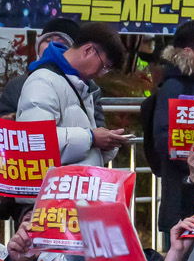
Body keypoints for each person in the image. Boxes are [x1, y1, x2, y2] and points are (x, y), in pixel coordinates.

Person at [140, 20, 194, 238]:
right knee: (178, 260)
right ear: (188, 51)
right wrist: (191, 158)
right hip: (182, 191)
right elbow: (162, 137)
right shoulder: (175, 86)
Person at [17, 22, 130, 166]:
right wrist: (91, 138)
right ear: (88, 50)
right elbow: (35, 140)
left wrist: (105, 143)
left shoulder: (79, 84)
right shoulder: (43, 81)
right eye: (103, 67)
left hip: (74, 184)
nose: (101, 74)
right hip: (56, 186)